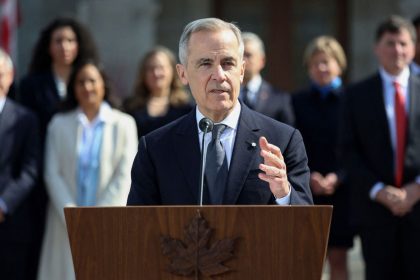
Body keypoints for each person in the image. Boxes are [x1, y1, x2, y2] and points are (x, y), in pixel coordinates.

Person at [127, 18, 312, 206]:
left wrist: (284, 194)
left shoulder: (282, 140)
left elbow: (307, 226)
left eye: (228, 63)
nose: (219, 75)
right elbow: (138, 228)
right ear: (183, 74)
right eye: (205, 63)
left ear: (241, 70)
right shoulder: (155, 148)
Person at [38, 60, 138, 280]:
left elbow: (125, 175)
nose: (87, 87)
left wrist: (97, 218)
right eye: (81, 82)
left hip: (109, 222)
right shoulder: (58, 124)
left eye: (92, 80)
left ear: (103, 84)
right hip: (64, 223)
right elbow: (52, 174)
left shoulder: (124, 124)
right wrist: (73, 216)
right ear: (74, 88)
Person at [17, 17, 99, 276]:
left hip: (82, 176)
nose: (65, 46)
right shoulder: (31, 86)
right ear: (48, 46)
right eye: (59, 41)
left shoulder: (88, 78)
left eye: (71, 40)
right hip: (44, 178)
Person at [340, 15, 420, 280]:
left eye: (403, 43)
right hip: (375, 212)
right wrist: (378, 191)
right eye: (390, 43)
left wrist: (415, 189)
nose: (397, 50)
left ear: (413, 47)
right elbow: (347, 150)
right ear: (377, 48)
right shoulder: (356, 95)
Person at [292, 36, 353, 280]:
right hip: (307, 188)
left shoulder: (352, 100)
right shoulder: (297, 102)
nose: (321, 68)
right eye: (315, 63)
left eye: (327, 62)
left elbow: (357, 146)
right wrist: (310, 175)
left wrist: (338, 176)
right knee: (309, 259)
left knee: (339, 259)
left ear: (339, 65)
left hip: (342, 189)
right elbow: (293, 145)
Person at [0, 48, 40, 279]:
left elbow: (30, 170)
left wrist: (4, 204)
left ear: (10, 76)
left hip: (12, 223)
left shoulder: (25, 119)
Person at [123, 46, 193, 138]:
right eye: (150, 68)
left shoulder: (186, 110)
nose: (156, 73)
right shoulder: (130, 108)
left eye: (161, 67)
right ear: (143, 74)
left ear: (173, 71)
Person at [240, 32, 294, 125]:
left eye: (248, 55)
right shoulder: (223, 95)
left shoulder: (279, 98)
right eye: (240, 56)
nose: (243, 60)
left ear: (262, 61)